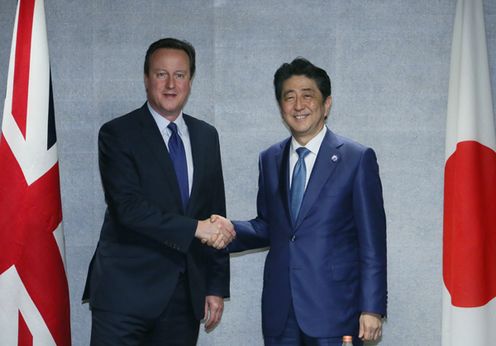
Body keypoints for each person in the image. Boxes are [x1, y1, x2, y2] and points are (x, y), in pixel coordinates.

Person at [213, 58, 387, 345]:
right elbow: (270, 227)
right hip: (281, 310)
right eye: (288, 97)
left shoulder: (356, 159)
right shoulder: (269, 159)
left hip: (336, 309)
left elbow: (373, 242)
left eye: (308, 95)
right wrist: (227, 229)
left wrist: (372, 307)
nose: (298, 105)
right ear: (280, 107)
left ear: (326, 104)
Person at [82, 37, 235, 345]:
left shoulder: (206, 136)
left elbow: (215, 213)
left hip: (183, 299)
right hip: (124, 295)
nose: (170, 84)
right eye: (160, 74)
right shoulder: (117, 133)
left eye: (179, 75)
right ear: (146, 79)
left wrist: (215, 286)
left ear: (190, 81)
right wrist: (197, 228)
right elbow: (129, 209)